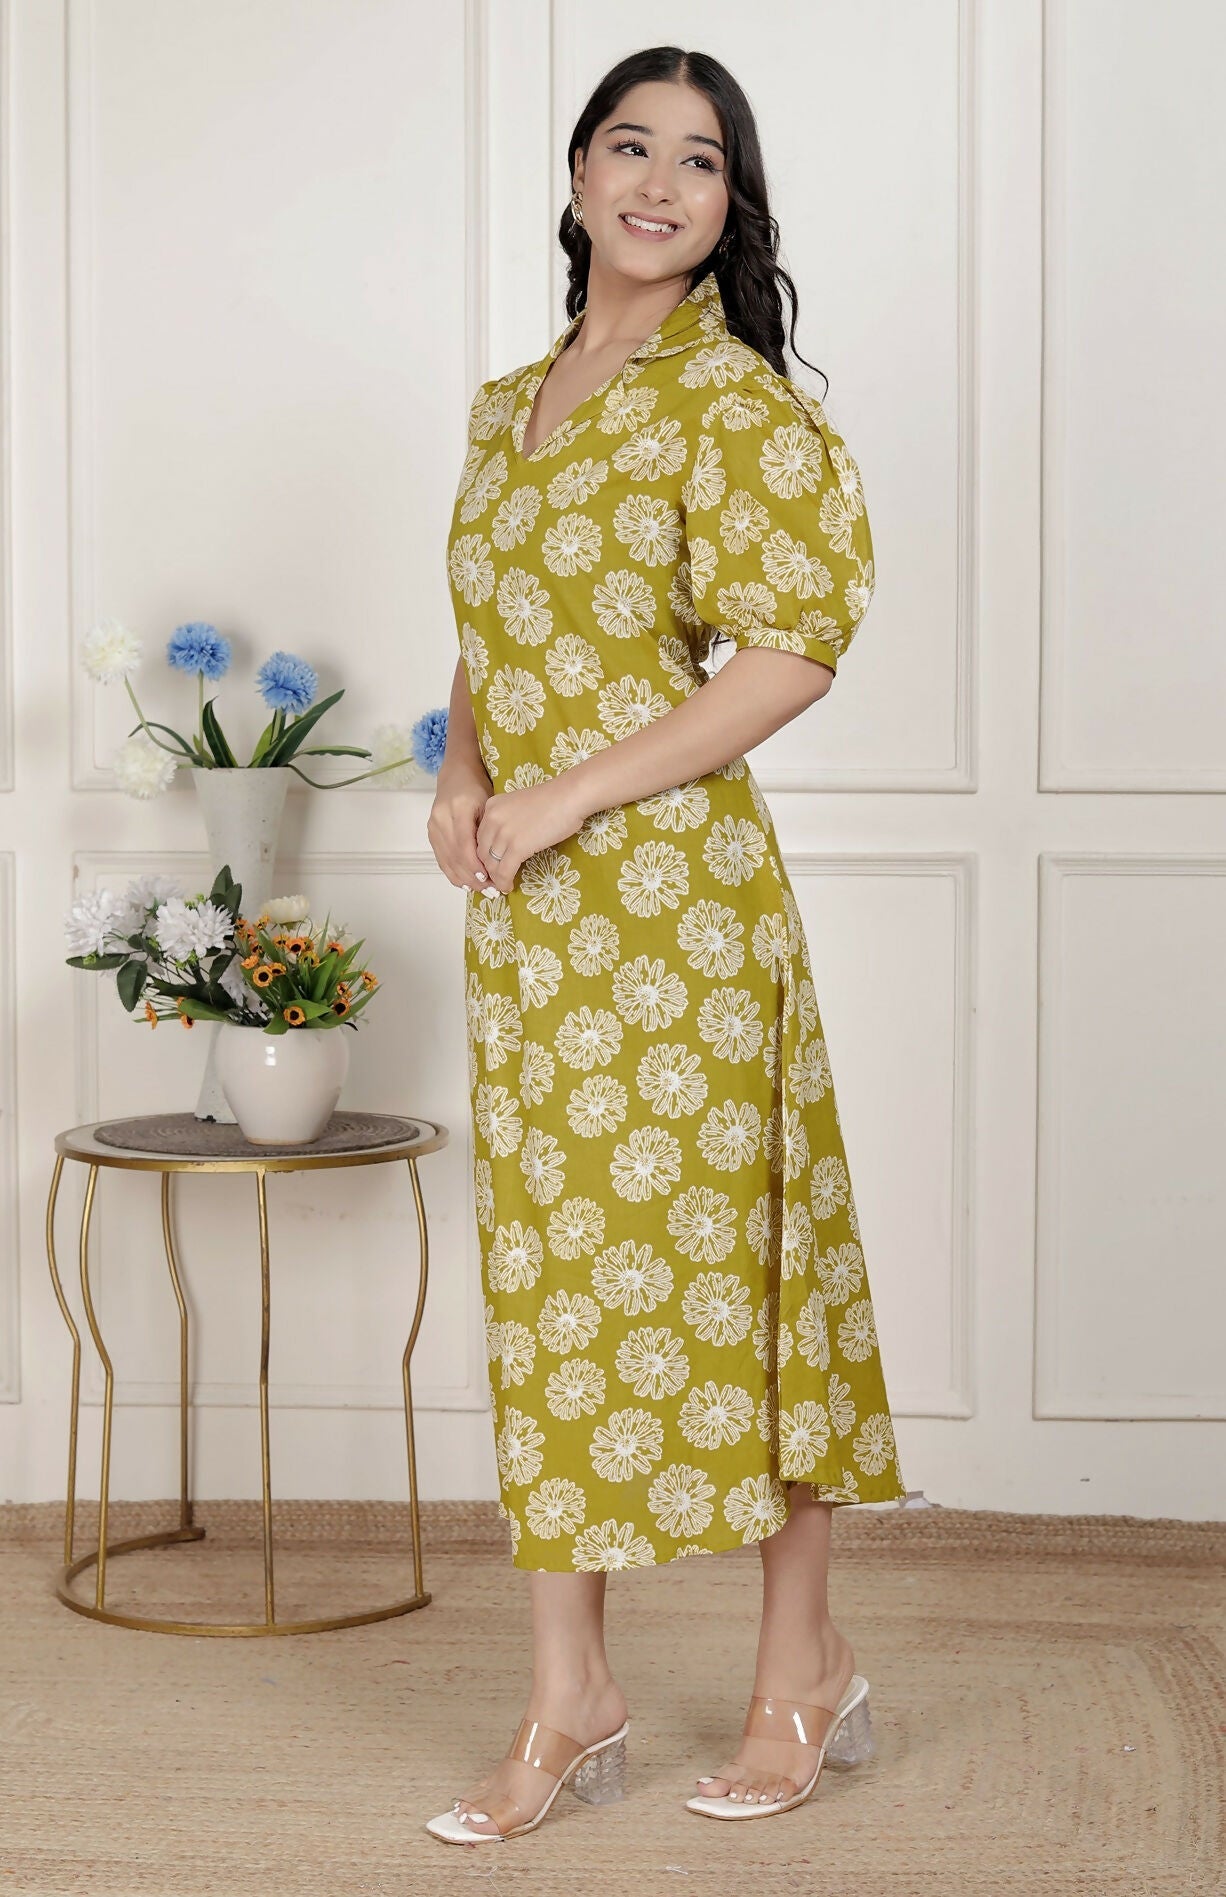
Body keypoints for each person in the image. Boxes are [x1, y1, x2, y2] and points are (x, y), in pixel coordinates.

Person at [424, 44, 905, 1847]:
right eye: (628, 146)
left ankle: (802, 1669)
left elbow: (789, 652)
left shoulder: (731, 405)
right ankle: (572, 1697)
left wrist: (565, 793)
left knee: (748, 1277)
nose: (654, 182)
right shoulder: (508, 404)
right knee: (553, 1287)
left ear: (727, 206)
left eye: (695, 161)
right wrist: (462, 770)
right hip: (532, 926)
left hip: (677, 918)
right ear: (575, 173)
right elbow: (493, 619)